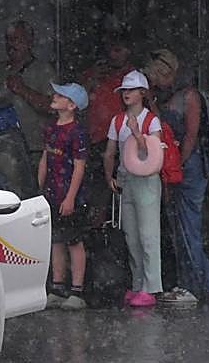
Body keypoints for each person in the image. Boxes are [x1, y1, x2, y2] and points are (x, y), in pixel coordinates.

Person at [147, 48, 209, 306]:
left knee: (189, 226)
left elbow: (191, 135)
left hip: (189, 166)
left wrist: (177, 163)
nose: (156, 81)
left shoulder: (189, 96)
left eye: (158, 76)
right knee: (181, 227)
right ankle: (203, 282)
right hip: (177, 164)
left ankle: (194, 285)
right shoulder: (170, 96)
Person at [102, 70, 163, 308]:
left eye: (131, 90)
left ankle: (151, 286)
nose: (126, 94)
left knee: (148, 234)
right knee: (131, 235)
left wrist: (137, 133)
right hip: (125, 178)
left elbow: (153, 152)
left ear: (142, 93)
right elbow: (110, 152)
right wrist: (109, 176)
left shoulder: (151, 120)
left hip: (146, 179)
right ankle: (138, 284)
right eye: (124, 90)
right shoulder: (117, 121)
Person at [37, 82, 90, 310]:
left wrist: (70, 197)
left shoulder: (77, 132)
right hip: (51, 193)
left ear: (72, 105)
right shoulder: (51, 129)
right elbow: (44, 159)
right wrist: (38, 189)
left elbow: (79, 167)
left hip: (70, 195)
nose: (55, 97)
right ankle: (57, 286)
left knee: (74, 240)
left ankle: (77, 289)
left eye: (61, 96)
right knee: (56, 239)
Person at [80, 30, 135, 228]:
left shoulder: (133, 77)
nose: (114, 54)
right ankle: (98, 233)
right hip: (96, 142)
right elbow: (75, 102)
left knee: (126, 196)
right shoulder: (94, 73)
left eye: (119, 49)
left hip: (126, 143)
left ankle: (121, 233)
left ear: (128, 51)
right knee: (97, 196)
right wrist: (91, 80)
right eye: (111, 49)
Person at [3, 19, 57, 159]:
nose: (11, 44)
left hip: (35, 149)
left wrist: (22, 90)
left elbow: (52, 107)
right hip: (3, 149)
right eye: (8, 39)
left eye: (16, 39)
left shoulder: (43, 70)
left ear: (29, 42)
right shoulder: (0, 71)